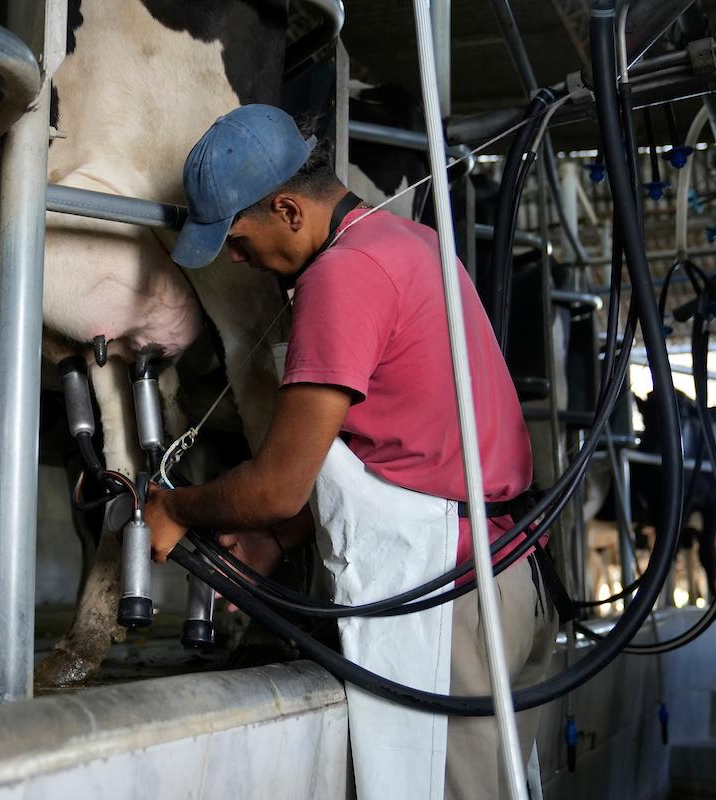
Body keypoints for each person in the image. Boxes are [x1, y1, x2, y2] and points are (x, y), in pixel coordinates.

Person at [145, 104, 557, 799]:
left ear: (288, 209)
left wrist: (177, 508)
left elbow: (278, 483)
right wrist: (282, 536)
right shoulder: (410, 243)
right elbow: (409, 447)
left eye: (238, 241)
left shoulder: (342, 277)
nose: (236, 260)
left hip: (450, 596)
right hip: (510, 571)